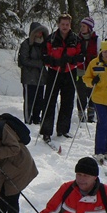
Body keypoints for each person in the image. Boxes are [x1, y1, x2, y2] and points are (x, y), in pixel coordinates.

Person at [40, 14, 84, 143]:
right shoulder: (51, 39)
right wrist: (53, 62)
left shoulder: (76, 39)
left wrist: (71, 60)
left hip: (70, 71)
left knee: (68, 101)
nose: (65, 27)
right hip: (54, 72)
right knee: (49, 101)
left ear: (70, 25)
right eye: (63, 24)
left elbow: (82, 57)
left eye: (67, 24)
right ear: (58, 24)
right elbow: (43, 56)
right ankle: (46, 131)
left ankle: (63, 129)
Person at [17, 22, 49, 124]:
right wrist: (39, 63)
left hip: (41, 77)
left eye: (41, 32)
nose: (39, 34)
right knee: (29, 100)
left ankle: (36, 117)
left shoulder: (44, 44)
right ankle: (28, 118)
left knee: (39, 99)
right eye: (37, 32)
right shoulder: (26, 44)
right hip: (29, 76)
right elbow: (24, 60)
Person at [76, 16, 99, 123]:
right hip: (80, 69)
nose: (82, 28)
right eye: (81, 26)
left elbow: (99, 53)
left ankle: (91, 113)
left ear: (89, 28)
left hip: (92, 70)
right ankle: (81, 112)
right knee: (81, 92)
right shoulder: (77, 38)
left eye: (84, 26)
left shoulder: (96, 39)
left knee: (91, 92)